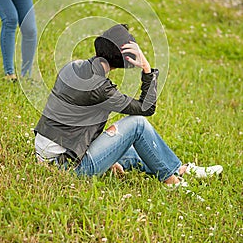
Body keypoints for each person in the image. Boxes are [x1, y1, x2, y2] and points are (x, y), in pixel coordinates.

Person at [34, 24, 223, 188]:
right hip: (68, 166)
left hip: (50, 155)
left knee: (134, 149)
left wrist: (109, 160)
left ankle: (181, 169)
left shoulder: (74, 66)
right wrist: (147, 70)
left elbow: (76, 120)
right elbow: (146, 108)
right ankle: (172, 181)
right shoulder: (99, 87)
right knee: (137, 125)